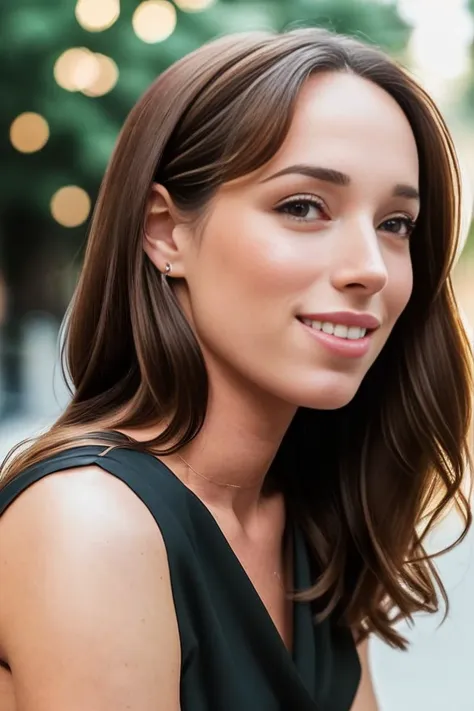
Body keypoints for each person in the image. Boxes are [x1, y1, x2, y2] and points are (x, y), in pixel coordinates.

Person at [0, 27, 472, 711]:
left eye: (396, 223)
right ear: (166, 232)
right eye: (304, 207)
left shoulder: (310, 519)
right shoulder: (92, 525)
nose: (371, 266)